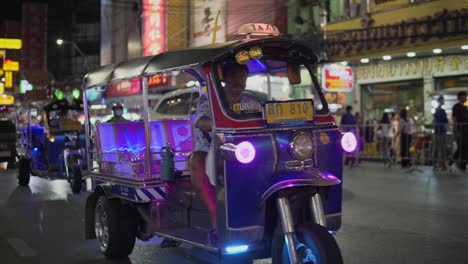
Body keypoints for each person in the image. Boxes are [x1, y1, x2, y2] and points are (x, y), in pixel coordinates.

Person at [189, 62, 249, 243]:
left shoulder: (250, 103)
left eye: (242, 76)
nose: (239, 80)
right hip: (209, 151)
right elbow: (201, 120)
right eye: (234, 76)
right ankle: (216, 219)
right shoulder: (209, 100)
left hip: (243, 150)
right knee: (198, 161)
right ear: (225, 78)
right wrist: (218, 125)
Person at [451, 91, 468, 173]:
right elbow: (454, 119)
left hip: (466, 130)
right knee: (462, 147)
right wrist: (456, 130)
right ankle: (461, 165)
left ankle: (460, 164)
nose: (466, 98)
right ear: (460, 97)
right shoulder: (456, 107)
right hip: (460, 129)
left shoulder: (465, 107)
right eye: (465, 96)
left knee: (464, 148)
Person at [432, 96, 449, 170]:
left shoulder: (439, 110)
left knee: (438, 147)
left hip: (439, 130)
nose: (444, 101)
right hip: (440, 131)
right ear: (440, 101)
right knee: (441, 147)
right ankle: (441, 164)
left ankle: (437, 163)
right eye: (443, 100)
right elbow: (444, 120)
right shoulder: (439, 110)